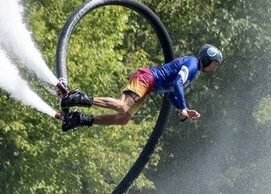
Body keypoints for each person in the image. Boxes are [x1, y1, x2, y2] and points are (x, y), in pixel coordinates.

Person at [58, 44, 223, 131]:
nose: (215, 68)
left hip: (150, 87)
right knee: (122, 106)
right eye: (215, 64)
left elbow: (172, 92)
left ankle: (81, 119)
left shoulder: (194, 71)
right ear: (207, 60)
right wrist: (185, 107)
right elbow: (176, 83)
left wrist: (181, 110)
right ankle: (79, 97)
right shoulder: (193, 64)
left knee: (123, 119)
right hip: (147, 78)